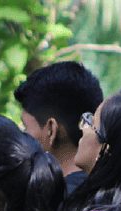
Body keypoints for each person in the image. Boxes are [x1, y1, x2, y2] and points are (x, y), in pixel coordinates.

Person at [14, 61, 103, 196]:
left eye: (25, 127)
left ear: (51, 129)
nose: (22, 137)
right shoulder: (113, 191)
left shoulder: (53, 204)